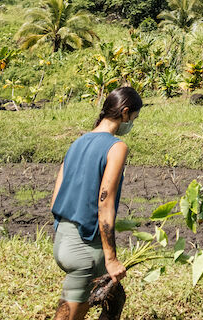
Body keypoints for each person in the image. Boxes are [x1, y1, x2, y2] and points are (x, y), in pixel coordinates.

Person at [49, 86, 142, 320]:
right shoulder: (116, 147)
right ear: (125, 112)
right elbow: (105, 202)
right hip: (86, 249)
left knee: (114, 298)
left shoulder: (78, 142)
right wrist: (110, 259)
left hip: (62, 239)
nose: (132, 123)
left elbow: (56, 194)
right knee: (69, 315)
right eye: (134, 118)